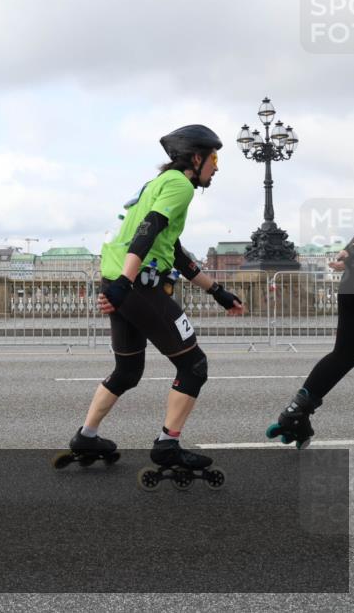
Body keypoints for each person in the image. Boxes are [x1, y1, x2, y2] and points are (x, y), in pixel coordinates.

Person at [60, 125, 245, 475]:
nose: (216, 167)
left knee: (128, 371)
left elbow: (171, 249)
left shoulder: (155, 185)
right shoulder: (179, 186)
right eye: (214, 158)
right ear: (196, 158)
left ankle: (86, 436)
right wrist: (126, 284)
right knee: (194, 366)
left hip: (120, 280)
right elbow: (149, 229)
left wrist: (217, 291)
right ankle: (167, 445)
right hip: (139, 285)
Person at [267, 222, 354, 447]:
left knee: (344, 355)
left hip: (352, 288)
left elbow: (346, 253)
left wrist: (351, 256)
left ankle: (296, 412)